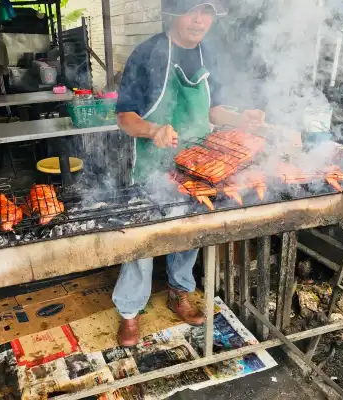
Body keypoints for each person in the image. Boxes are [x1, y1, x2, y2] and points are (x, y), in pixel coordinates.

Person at [113, 0, 266, 347]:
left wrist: (240, 119)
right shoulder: (147, 53)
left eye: (207, 12)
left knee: (189, 233)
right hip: (153, 166)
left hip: (199, 165)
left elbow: (215, 110)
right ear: (173, 14)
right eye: (192, 10)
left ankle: (179, 292)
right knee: (143, 241)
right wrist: (154, 130)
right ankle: (129, 311)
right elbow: (124, 117)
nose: (200, 20)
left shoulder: (209, 54)